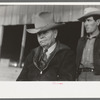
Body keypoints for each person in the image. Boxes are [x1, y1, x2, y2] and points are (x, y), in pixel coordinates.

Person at [17, 12, 76, 81]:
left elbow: (66, 82)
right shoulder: (32, 54)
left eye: (45, 32)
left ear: (55, 33)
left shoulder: (66, 54)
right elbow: (21, 80)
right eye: (38, 33)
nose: (41, 36)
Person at [76, 7, 100, 81]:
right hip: (81, 76)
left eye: (89, 20)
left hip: (97, 76)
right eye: (85, 21)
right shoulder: (81, 40)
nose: (86, 24)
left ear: (98, 22)